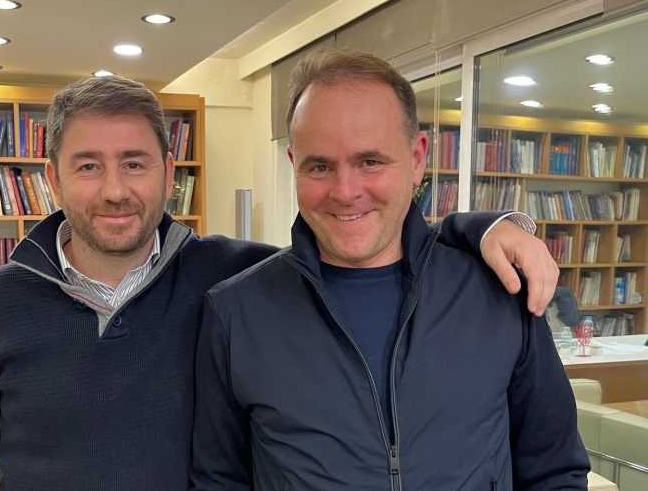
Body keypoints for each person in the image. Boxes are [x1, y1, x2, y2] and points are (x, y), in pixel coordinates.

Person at [0, 73, 557, 490]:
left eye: (134, 163)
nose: (114, 190)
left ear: (168, 169)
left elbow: (360, 241)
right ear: (53, 177)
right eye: (88, 166)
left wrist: (483, 229)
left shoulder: (230, 277)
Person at [191, 50, 589, 491]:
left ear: (417, 158)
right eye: (319, 166)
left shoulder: (499, 291)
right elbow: (219, 481)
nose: (345, 192)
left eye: (370, 161)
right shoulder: (235, 313)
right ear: (293, 166)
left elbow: (555, 471)